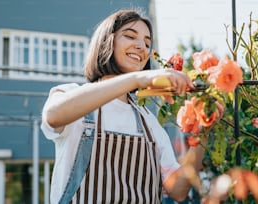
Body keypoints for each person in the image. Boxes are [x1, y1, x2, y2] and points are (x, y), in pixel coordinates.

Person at [41, 9, 209, 204]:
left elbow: (178, 190)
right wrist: (137, 78)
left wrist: (203, 131)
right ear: (106, 42)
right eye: (130, 36)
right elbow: (53, 115)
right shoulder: (71, 93)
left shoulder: (148, 121)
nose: (141, 47)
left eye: (147, 43)